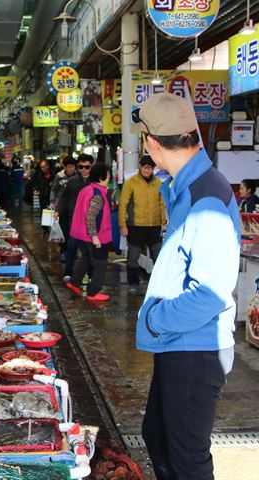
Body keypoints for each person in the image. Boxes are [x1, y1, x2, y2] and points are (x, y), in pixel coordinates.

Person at [132, 92, 240, 480]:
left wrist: (156, 319)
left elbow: (210, 292)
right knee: (158, 437)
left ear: (152, 143)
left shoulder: (205, 196)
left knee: (187, 459)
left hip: (195, 348)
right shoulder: (185, 186)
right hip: (180, 343)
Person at [118, 156, 167, 293]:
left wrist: (163, 222)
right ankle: (133, 282)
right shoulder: (131, 182)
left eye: (150, 167)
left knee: (159, 256)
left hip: (154, 227)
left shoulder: (158, 183)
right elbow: (123, 205)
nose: (147, 169)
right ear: (140, 167)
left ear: (153, 169)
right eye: (144, 166)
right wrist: (123, 225)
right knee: (133, 258)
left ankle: (158, 284)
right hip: (135, 226)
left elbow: (162, 204)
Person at [65, 163, 112, 302]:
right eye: (108, 175)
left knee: (86, 259)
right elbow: (90, 216)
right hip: (93, 236)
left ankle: (74, 282)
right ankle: (94, 292)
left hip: (81, 234)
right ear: (102, 177)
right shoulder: (98, 195)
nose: (109, 177)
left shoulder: (87, 190)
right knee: (100, 263)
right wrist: (95, 236)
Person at [57, 154, 94, 279]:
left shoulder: (94, 181)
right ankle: (68, 272)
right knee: (72, 246)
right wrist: (58, 211)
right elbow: (64, 198)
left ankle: (90, 274)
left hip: (90, 220)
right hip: (74, 219)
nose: (84, 169)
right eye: (81, 166)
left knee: (89, 249)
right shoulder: (72, 181)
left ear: (91, 166)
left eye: (87, 167)